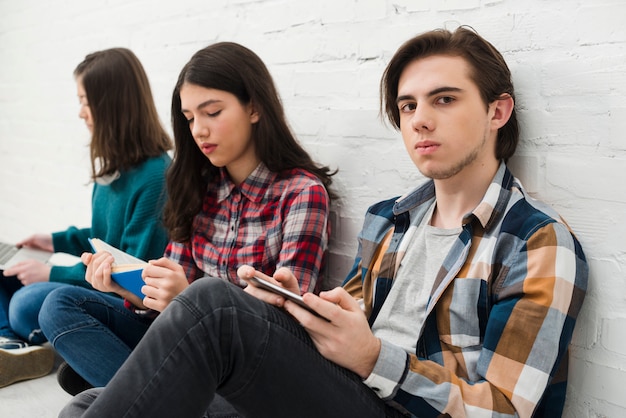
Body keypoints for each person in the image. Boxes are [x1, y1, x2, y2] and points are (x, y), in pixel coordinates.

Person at [58, 27, 588, 418]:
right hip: (349, 392)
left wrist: (375, 357)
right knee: (84, 403)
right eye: (407, 106)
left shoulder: (536, 242)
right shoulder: (392, 219)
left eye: (444, 99)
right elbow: (340, 335)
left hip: (399, 405)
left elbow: (506, 411)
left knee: (209, 306)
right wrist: (295, 311)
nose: (420, 119)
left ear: (498, 112)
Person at [40, 41, 335, 405]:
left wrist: (187, 299)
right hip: (182, 343)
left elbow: (285, 327)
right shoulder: (196, 188)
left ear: (255, 107)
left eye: (212, 112)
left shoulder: (301, 193)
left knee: (83, 401)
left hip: (248, 369)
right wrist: (128, 288)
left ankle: (131, 393)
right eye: (190, 118)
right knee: (60, 305)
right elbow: (167, 293)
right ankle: (156, 398)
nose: (199, 130)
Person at [0, 48, 172, 388]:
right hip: (100, 282)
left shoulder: (155, 177)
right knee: (5, 270)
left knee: (24, 303)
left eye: (85, 102)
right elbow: (100, 238)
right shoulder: (113, 170)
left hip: (125, 299)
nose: (80, 113)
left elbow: (130, 271)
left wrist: (52, 271)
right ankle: (12, 346)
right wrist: (52, 241)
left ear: (111, 106)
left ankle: (13, 336)